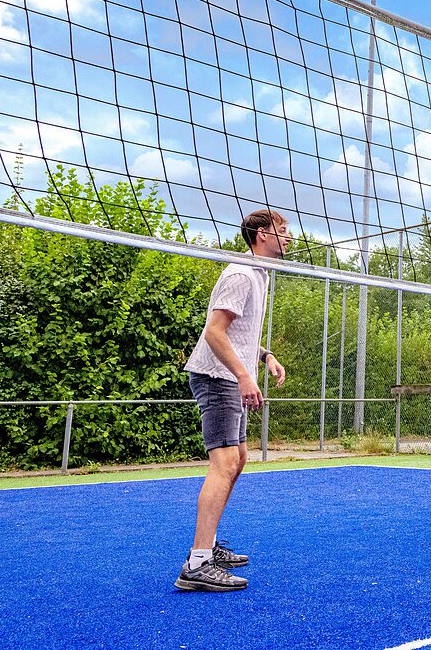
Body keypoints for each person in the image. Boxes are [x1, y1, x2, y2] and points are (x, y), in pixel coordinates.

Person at [175, 209, 291, 592]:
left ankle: (209, 548)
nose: (289, 237)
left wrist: (264, 356)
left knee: (238, 459)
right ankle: (197, 563)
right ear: (261, 235)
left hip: (230, 375)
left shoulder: (258, 274)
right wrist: (243, 376)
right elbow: (214, 331)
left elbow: (239, 334)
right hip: (217, 376)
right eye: (282, 230)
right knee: (224, 462)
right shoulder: (241, 273)